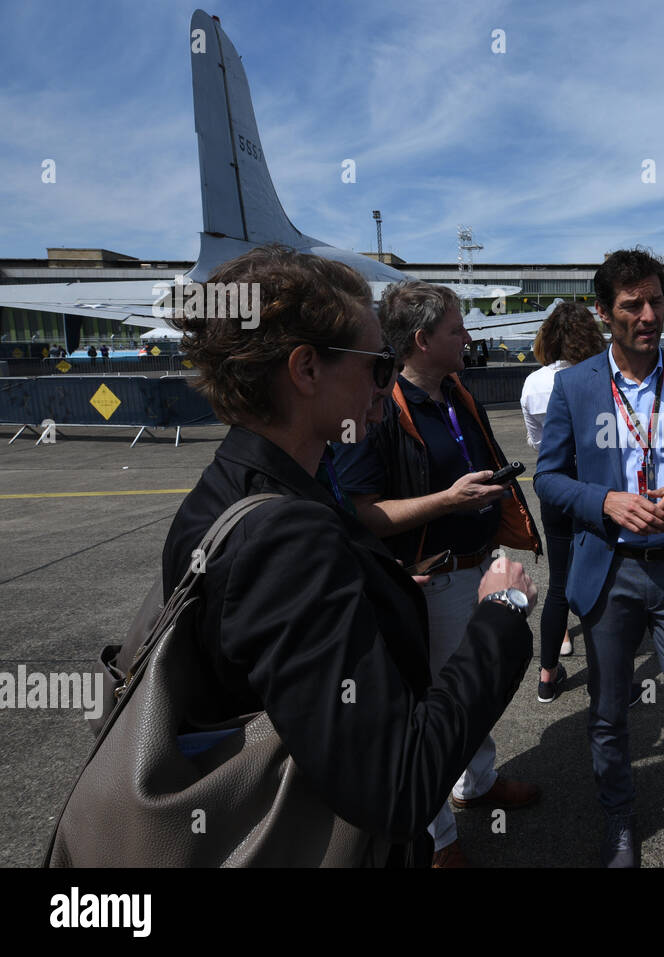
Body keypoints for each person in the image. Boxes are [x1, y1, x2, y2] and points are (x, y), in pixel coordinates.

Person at [161, 245, 537, 866]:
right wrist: (501, 609)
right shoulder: (283, 544)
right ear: (306, 370)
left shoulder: (239, 490)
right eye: (376, 363)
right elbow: (398, 783)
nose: (384, 383)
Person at [333, 280, 542, 868]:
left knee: (473, 689)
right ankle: (439, 840)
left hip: (477, 568)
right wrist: (445, 503)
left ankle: (476, 784)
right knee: (432, 706)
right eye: (457, 329)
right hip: (431, 581)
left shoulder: (455, 392)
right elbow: (361, 511)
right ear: (422, 340)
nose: (469, 336)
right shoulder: (377, 412)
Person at [534, 247, 664, 868]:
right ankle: (619, 816)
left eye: (655, 301)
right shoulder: (575, 385)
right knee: (610, 713)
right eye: (631, 305)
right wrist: (605, 502)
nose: (648, 315)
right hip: (608, 569)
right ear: (603, 312)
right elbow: (548, 478)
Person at [520, 302, 607, 701]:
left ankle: (547, 673)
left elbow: (537, 441)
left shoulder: (534, 384)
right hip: (592, 490)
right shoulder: (599, 378)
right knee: (601, 580)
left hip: (554, 487)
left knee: (558, 585)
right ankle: (605, 676)